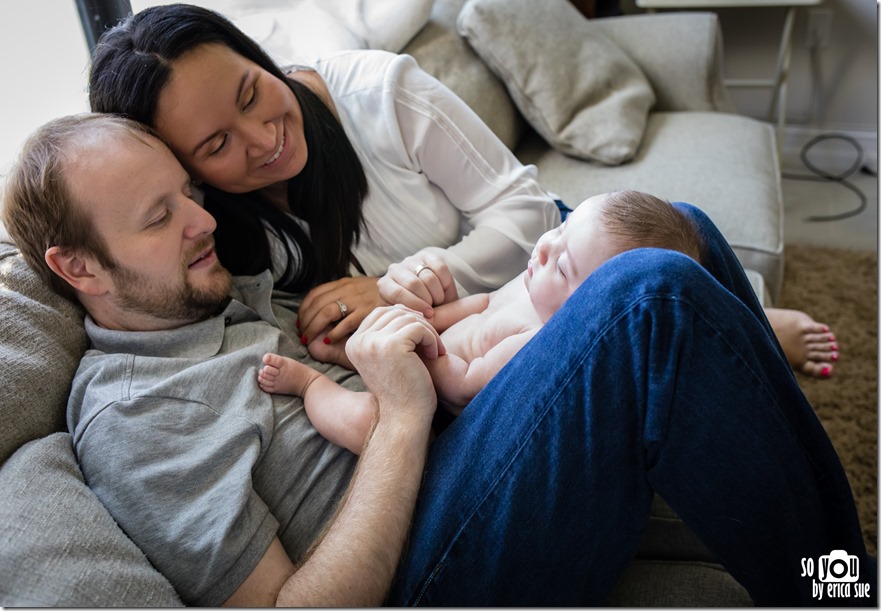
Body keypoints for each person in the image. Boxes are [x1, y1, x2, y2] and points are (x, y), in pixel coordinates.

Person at [4, 112, 875, 607]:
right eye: (159, 218)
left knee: (660, 223)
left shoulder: (212, 289)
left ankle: (810, 531)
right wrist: (405, 416)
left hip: (453, 448)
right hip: (429, 569)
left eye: (187, 195)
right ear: (76, 268)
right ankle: (835, 592)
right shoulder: (138, 413)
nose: (201, 222)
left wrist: (395, 295)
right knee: (646, 291)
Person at [86, 3, 839, 379]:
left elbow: (525, 209)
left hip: (538, 256)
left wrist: (384, 287)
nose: (263, 140)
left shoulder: (382, 91)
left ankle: (746, 321)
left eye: (253, 92)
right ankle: (727, 329)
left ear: (260, 58)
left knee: (681, 230)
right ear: (182, 169)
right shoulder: (208, 223)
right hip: (464, 338)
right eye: (216, 145)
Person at [261, 190, 705, 418]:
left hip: (435, 407)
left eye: (563, 266)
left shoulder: (536, 339)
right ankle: (348, 355)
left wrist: (417, 348)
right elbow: (482, 304)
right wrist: (427, 318)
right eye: (560, 230)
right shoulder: (533, 285)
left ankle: (309, 386)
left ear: (587, 313)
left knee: (362, 423)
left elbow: (463, 385)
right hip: (427, 351)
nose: (544, 248)